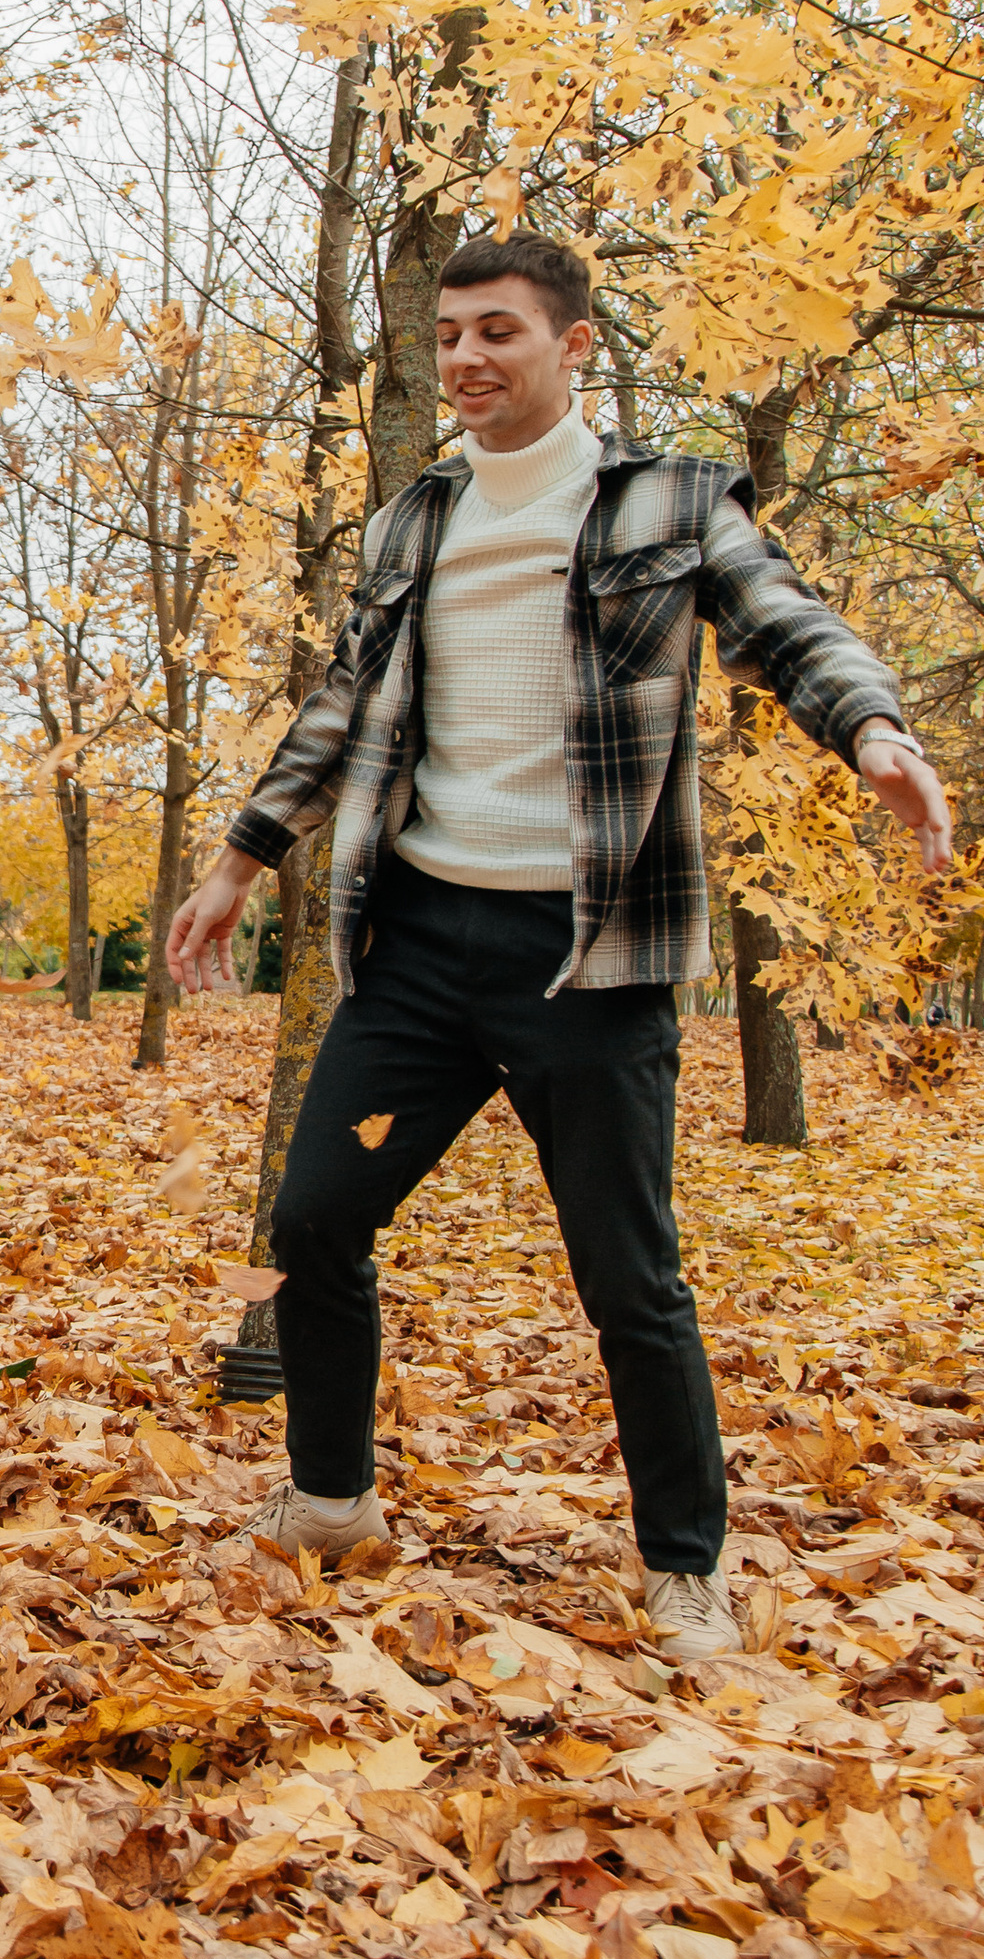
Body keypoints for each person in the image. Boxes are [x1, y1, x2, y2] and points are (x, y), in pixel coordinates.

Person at [167, 230, 950, 1668]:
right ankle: (331, 1496)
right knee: (318, 1216)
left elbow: (790, 626)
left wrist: (874, 730)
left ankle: (683, 1563)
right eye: (449, 334)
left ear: (574, 345)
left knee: (628, 1278)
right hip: (418, 944)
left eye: (499, 332)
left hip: (590, 957)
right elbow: (342, 704)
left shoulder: (671, 500)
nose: (466, 358)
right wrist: (238, 860)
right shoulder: (413, 521)